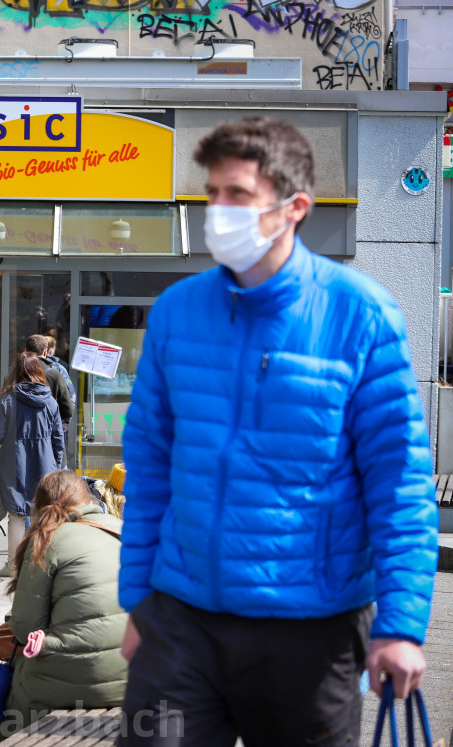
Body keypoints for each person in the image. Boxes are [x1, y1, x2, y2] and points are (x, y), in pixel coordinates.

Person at [119, 116, 437, 745]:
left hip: (311, 628)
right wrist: (139, 602)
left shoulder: (362, 315)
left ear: (295, 207)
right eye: (211, 193)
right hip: (183, 619)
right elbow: (150, 463)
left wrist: (400, 626)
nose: (217, 211)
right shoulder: (179, 311)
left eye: (237, 195)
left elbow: (398, 483)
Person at [0, 470, 127, 746]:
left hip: (66, 682)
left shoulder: (47, 539)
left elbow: (26, 628)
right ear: (87, 498)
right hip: (134, 675)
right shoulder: (122, 530)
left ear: (39, 507)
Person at [0, 352, 65, 579]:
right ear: (38, 370)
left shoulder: (8, 400)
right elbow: (58, 439)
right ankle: (41, 564)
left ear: (17, 371)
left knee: (17, 515)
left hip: (14, 464)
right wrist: (56, 466)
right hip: (45, 464)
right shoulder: (50, 401)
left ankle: (14, 565)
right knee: (43, 515)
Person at [24, 335, 73, 431]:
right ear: (46, 352)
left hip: (20, 435)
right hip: (47, 433)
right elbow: (68, 411)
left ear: (25, 350)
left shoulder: (14, 375)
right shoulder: (55, 375)